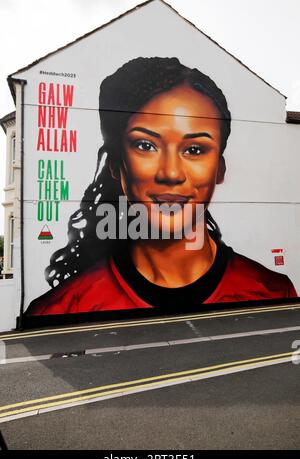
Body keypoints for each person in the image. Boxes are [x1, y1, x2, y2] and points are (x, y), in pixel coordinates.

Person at [26, 57, 297, 316]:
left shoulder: (273, 291)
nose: (170, 173)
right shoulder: (62, 307)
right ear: (116, 166)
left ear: (220, 169)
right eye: (145, 145)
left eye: (194, 149)